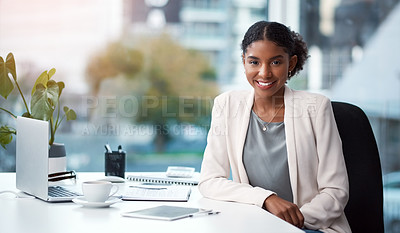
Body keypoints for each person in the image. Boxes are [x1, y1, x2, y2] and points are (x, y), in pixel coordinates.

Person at [198, 21, 351, 233]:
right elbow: (210, 181)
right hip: (255, 226)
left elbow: (335, 191)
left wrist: (291, 221)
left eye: (275, 62)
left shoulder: (316, 107)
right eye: (254, 62)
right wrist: (266, 198)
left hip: (311, 227)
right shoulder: (227, 105)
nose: (264, 73)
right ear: (243, 62)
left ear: (291, 63)